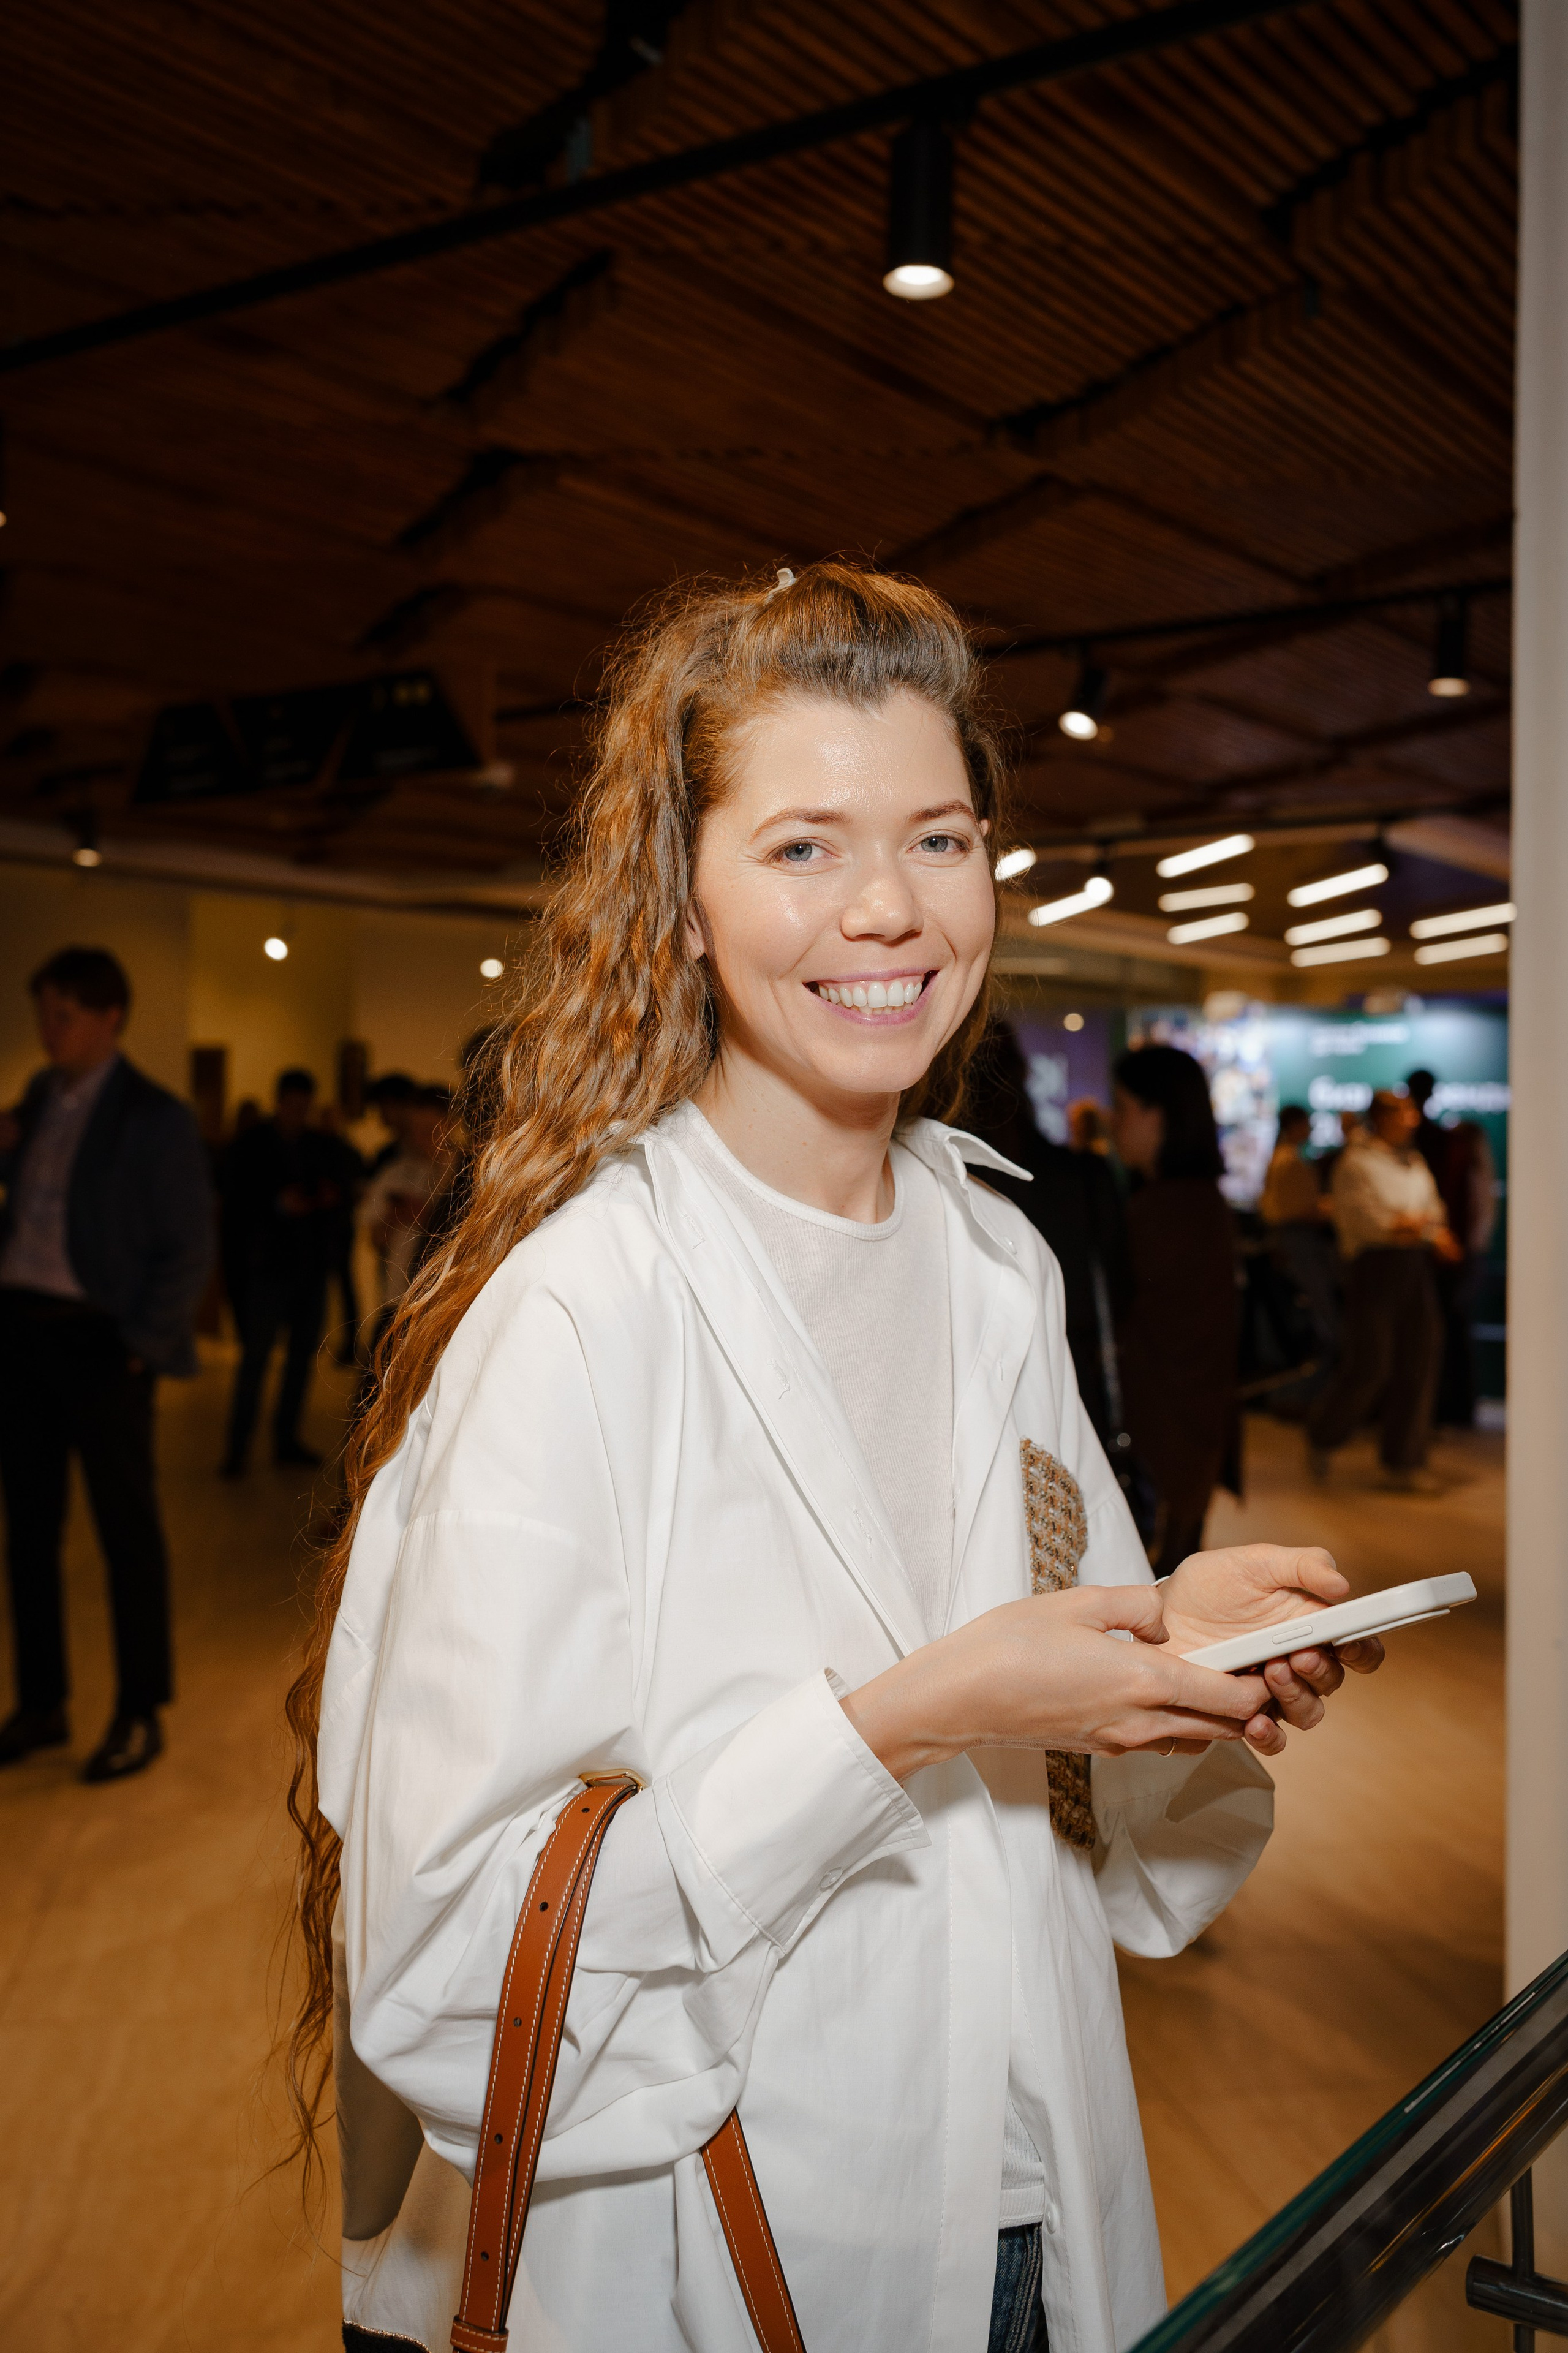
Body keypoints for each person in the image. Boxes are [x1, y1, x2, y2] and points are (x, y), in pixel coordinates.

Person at [288, 564, 1381, 2353]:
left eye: (937, 836)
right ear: (683, 889)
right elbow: (446, 1964)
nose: (887, 907)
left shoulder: (995, 1259)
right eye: (802, 844)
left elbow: (1093, 1801)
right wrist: (900, 1717)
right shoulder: (583, 1313)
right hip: (725, 2248)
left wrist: (1171, 1642)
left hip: (1024, 2190)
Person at [0, 946, 212, 1779]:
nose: (48, 1030)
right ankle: (43, 1703)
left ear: (107, 1016)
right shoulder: (37, 1100)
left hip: (100, 1341)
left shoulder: (153, 1117)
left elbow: (189, 1246)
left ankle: (139, 1709)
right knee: (28, 1532)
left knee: (127, 1532)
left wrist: (138, 1348)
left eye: (63, 1014)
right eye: (43, 1013)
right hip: (19, 1331)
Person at [963, 1018, 1130, 1456]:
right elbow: (1120, 1290)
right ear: (1024, 1075)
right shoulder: (1084, 1177)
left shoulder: (938, 1187)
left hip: (972, 1405)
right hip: (1073, 1386)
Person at [1110, 1044, 1240, 1574]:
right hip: (1195, 1421)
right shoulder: (1202, 1201)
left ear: (1156, 1115)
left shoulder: (1162, 1210)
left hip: (1162, 1423)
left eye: (1122, 1109)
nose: (1115, 1125)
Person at [1306, 1088, 1461, 1491]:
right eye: (1401, 1112)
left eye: (1411, 1112)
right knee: (1370, 1364)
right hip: (1374, 1268)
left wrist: (1416, 1224)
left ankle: (1403, 1461)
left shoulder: (1412, 1161)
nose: (1410, 1119)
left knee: (1420, 1357)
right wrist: (1411, 1224)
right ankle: (1323, 1434)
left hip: (1413, 1266)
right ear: (1381, 1117)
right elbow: (1369, 1221)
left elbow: (1433, 1211)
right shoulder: (1357, 1162)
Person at [218, 1067, 342, 1476]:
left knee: (300, 1361)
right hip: (267, 1267)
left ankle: (285, 1441)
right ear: (279, 1102)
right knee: (255, 1359)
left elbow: (345, 1181)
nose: (298, 1114)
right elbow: (233, 1202)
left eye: (304, 1108)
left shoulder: (318, 1144)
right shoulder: (251, 1145)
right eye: (293, 1106)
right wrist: (276, 1205)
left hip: (308, 1266)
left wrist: (324, 1197)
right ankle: (238, 1448)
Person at [1258, 1103, 1340, 1391]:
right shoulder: (1288, 1161)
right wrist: (1329, 1209)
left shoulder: (1280, 1159)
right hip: (1298, 1243)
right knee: (1318, 1317)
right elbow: (1292, 1210)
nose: (1310, 1130)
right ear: (1294, 1125)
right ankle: (1308, 1391)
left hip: (1292, 1241)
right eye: (1306, 1124)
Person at [1433, 1119, 1497, 1429]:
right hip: (1468, 1256)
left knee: (1455, 1330)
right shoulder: (1477, 1169)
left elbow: (1474, 1220)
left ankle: (1458, 1405)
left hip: (1465, 1258)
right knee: (1456, 1330)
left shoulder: (1471, 1171)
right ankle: (1457, 1404)